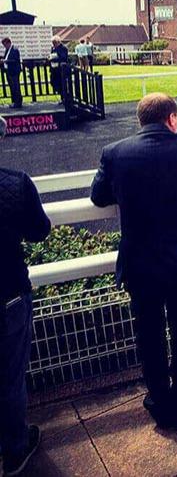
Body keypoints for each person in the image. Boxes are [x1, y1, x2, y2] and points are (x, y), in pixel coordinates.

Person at [90, 93, 177, 431]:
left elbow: (98, 196)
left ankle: (160, 400)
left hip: (142, 262)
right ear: (171, 119)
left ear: (141, 121)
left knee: (149, 335)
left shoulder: (115, 153)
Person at [0, 116, 51, 475]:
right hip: (9, 295)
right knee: (10, 378)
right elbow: (39, 230)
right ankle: (15, 450)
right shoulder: (15, 183)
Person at [1, 37, 23, 108]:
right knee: (12, 87)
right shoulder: (7, 50)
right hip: (9, 71)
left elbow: (15, 60)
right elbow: (6, 58)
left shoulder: (15, 49)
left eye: (5, 44)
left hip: (14, 71)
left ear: (8, 43)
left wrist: (5, 61)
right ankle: (14, 101)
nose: (4, 46)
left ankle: (18, 102)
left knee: (16, 87)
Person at [48, 36, 69, 102]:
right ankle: (62, 96)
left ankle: (64, 98)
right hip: (54, 70)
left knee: (62, 84)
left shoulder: (63, 48)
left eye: (54, 43)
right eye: (52, 43)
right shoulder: (53, 48)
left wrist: (53, 59)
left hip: (61, 70)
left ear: (58, 42)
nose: (53, 44)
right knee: (53, 82)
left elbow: (63, 58)